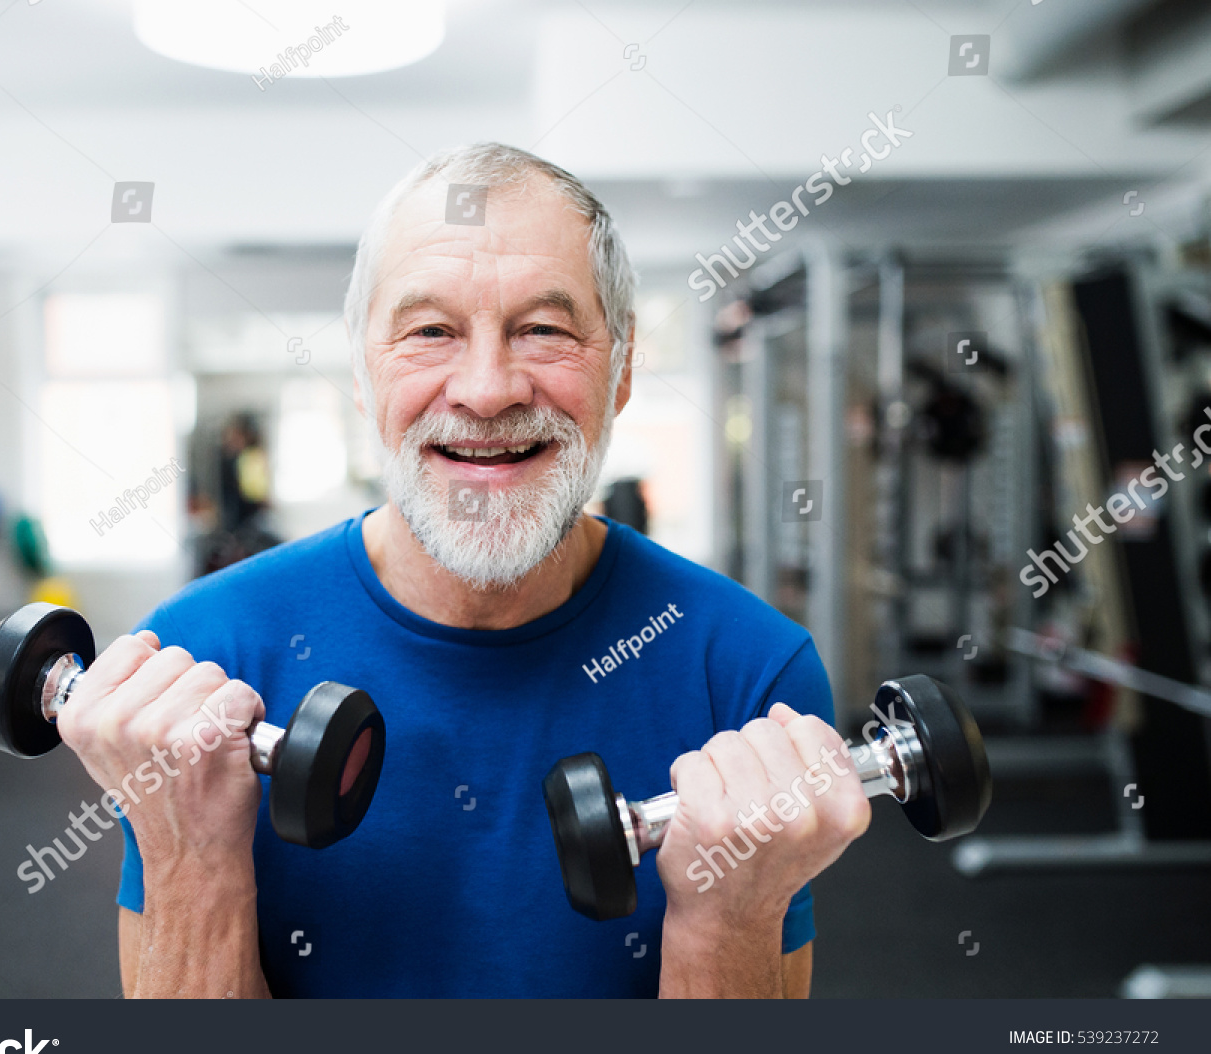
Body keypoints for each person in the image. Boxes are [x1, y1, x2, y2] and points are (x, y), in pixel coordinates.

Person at [56, 143, 870, 998]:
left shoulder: (747, 671)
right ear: (364, 375)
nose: (486, 389)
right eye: (430, 331)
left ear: (623, 366)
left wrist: (727, 917)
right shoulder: (199, 657)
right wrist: (192, 859)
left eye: (545, 329)